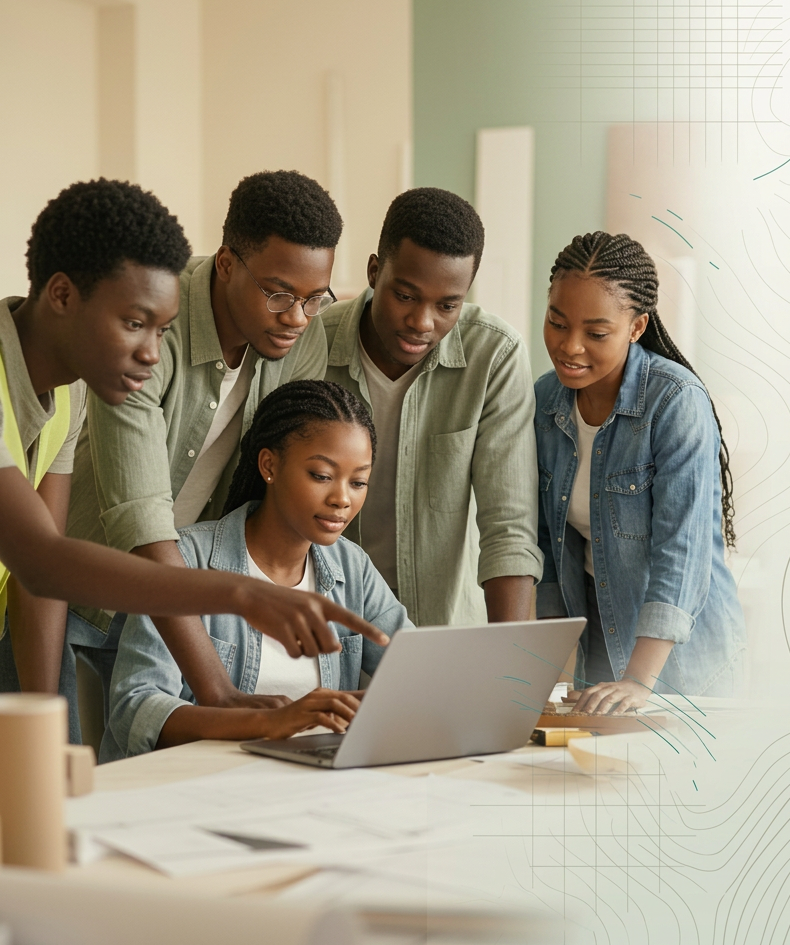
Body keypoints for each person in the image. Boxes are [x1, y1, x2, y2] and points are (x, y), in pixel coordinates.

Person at [0, 180, 388, 740]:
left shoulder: (69, 392)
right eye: (136, 325)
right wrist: (239, 595)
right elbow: (47, 560)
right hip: (107, 599)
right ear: (62, 296)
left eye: (160, 331)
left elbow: (40, 569)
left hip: (134, 601)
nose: (154, 352)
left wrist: (44, 732)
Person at [66, 170, 345, 725]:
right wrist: (215, 687)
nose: (296, 317)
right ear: (225, 264)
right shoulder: (150, 324)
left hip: (185, 609)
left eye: (315, 299)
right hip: (83, 604)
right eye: (279, 294)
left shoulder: (303, 332)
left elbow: (279, 476)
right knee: (67, 790)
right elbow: (141, 520)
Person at [102, 380, 411, 760]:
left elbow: (416, 671)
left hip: (307, 792)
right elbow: (135, 709)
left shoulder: (353, 567)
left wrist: (394, 698)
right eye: (321, 475)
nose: (342, 499)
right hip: (197, 788)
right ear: (269, 465)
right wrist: (267, 723)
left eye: (359, 481)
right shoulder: (185, 559)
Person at [534, 231, 747, 713]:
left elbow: (682, 552)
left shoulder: (675, 402)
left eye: (596, 332)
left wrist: (638, 680)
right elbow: (550, 548)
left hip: (685, 669)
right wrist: (552, 675)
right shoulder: (546, 403)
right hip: (602, 662)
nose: (570, 346)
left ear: (636, 327)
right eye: (556, 322)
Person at [322, 188, 542, 626]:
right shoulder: (313, 345)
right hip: (330, 632)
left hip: (444, 631)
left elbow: (509, 528)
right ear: (373, 271)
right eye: (405, 296)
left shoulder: (493, 356)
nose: (423, 323)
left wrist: (511, 669)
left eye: (447, 306)